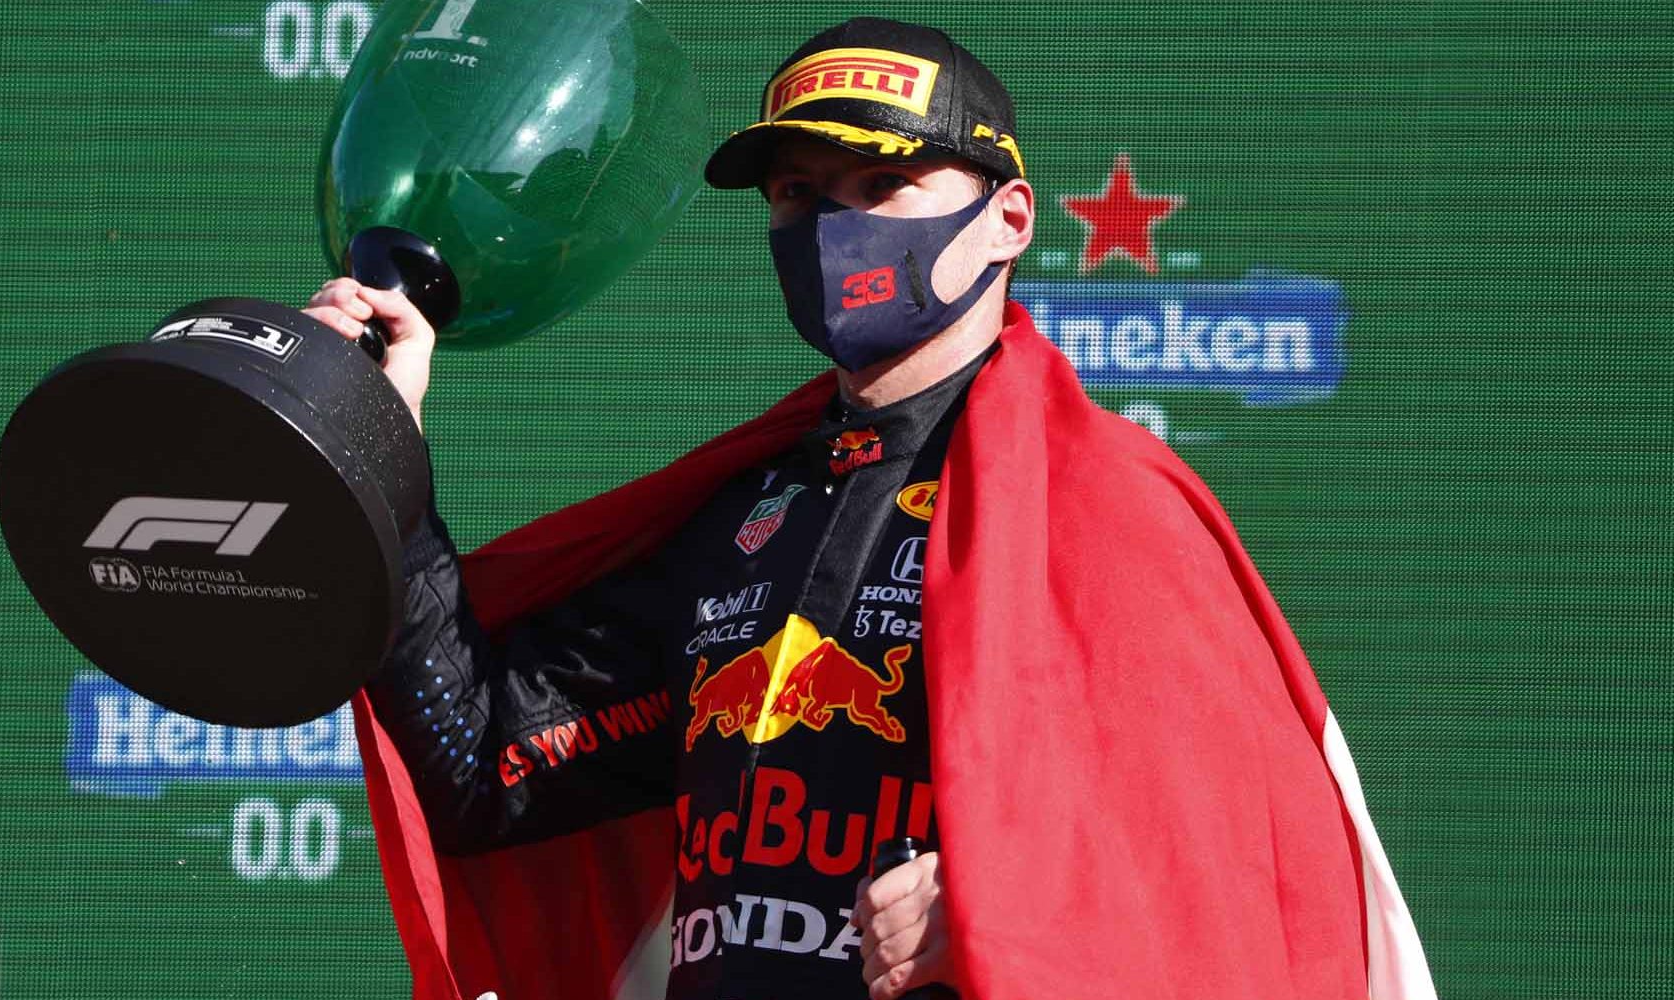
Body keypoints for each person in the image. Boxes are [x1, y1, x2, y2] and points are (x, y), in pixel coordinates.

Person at [305, 18, 1435, 1000]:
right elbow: (483, 767)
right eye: (799, 193)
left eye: (880, 187)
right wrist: (384, 450)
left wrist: (1008, 912)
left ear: (1010, 219)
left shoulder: (1108, 507)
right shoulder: (744, 516)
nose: (833, 226)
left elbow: (1237, 878)